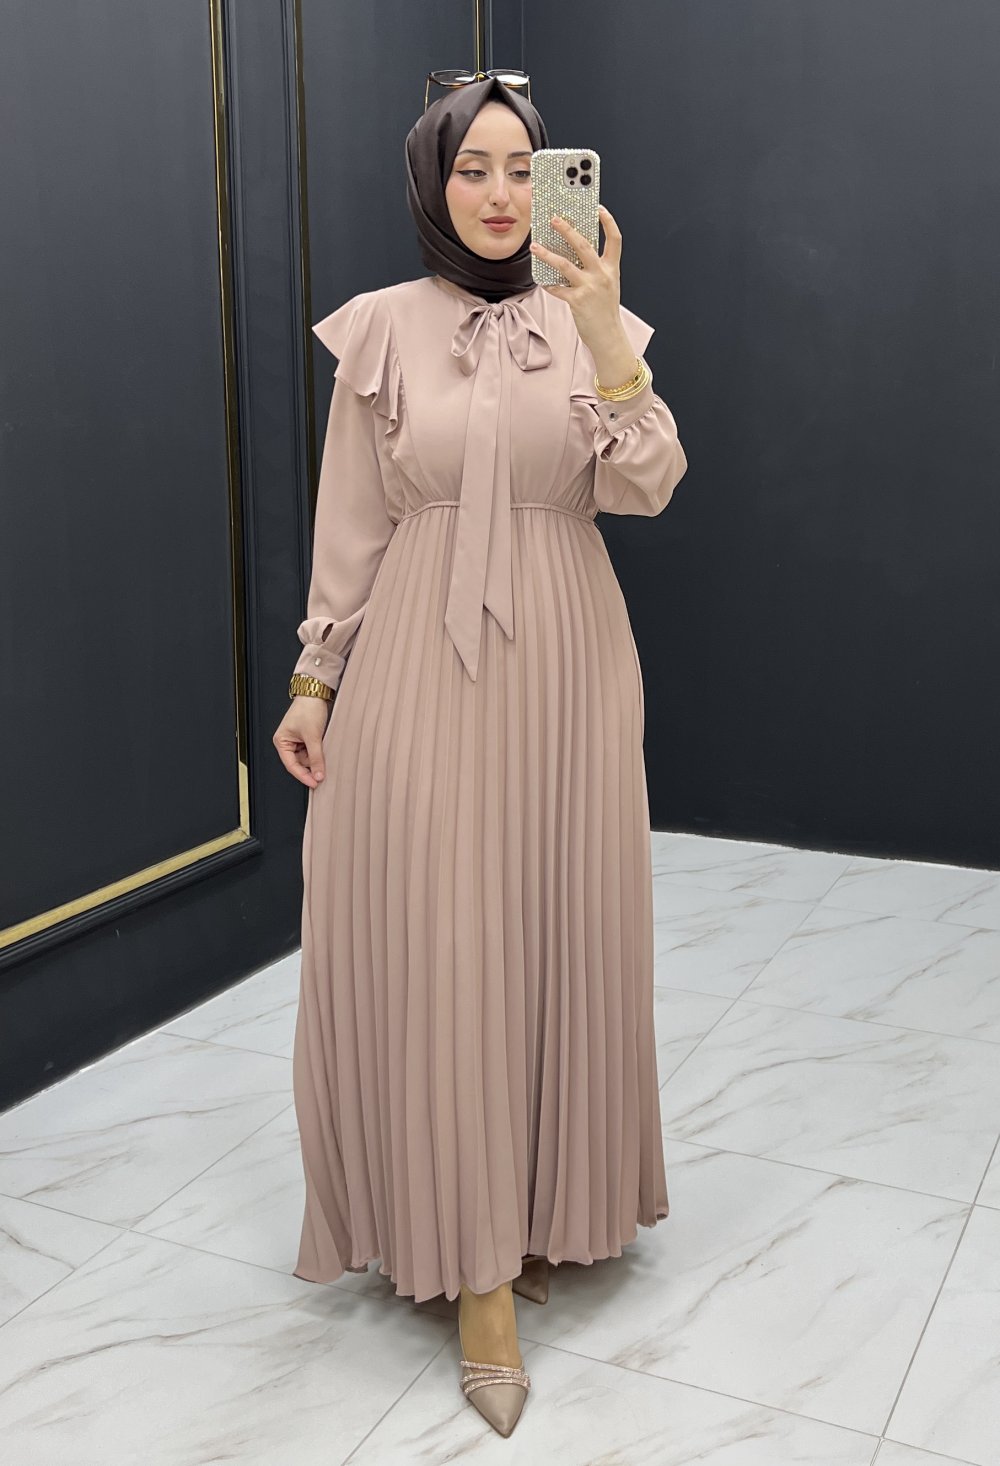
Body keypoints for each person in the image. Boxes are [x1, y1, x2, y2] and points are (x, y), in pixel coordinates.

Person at [272, 75, 688, 1438]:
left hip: (567, 667)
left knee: (556, 929)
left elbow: (649, 481)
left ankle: (544, 1206)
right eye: (473, 169)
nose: (503, 194)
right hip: (416, 668)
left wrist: (599, 327)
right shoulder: (382, 329)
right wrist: (316, 680)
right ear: (431, 183)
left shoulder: (592, 322)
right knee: (442, 945)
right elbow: (352, 522)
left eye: (524, 167)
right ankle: (475, 1272)